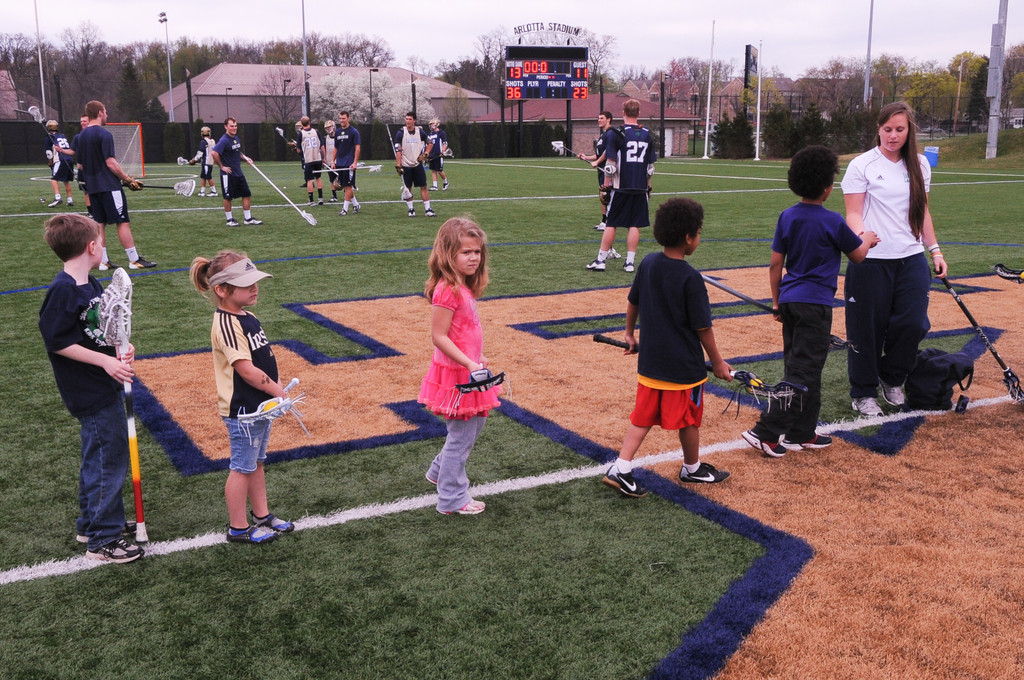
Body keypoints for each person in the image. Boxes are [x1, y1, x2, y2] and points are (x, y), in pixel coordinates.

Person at [741, 146, 879, 457]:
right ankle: (766, 431)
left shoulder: (787, 216)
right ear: (828, 188)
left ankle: (801, 432)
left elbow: (776, 264)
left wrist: (777, 302)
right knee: (803, 371)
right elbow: (857, 255)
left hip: (790, 300)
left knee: (804, 366)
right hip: (815, 306)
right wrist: (868, 239)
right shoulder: (832, 221)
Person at [602, 198, 732, 498]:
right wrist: (719, 362)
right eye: (699, 233)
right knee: (689, 417)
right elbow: (703, 328)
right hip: (683, 368)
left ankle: (621, 466)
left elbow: (632, 300)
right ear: (688, 237)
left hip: (650, 364)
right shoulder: (690, 278)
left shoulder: (648, 263)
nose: (699, 238)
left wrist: (629, 334)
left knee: (642, 416)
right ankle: (692, 467)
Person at [38, 213, 144, 563]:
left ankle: (92, 521)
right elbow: (57, 341)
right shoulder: (63, 290)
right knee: (107, 460)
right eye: (103, 242)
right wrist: (105, 362)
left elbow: (105, 331)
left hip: (104, 382)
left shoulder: (91, 286)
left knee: (98, 456)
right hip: (90, 390)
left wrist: (119, 350)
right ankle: (102, 539)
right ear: (92, 246)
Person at [841, 102, 947, 417]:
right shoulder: (862, 165)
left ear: (909, 130)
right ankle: (863, 392)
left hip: (911, 257)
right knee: (866, 329)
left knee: (914, 323)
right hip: (871, 261)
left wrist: (935, 250)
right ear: (878, 129)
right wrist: (863, 237)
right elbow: (853, 213)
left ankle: (891, 376)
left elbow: (922, 212)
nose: (893, 135)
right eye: (887, 129)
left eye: (899, 129)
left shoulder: (920, 164)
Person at [189, 250, 295, 543]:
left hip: (259, 406)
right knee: (242, 467)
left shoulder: (248, 316)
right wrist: (277, 390)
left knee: (256, 462)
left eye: (255, 281)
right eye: (246, 283)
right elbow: (246, 370)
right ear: (221, 290)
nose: (255, 287)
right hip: (243, 410)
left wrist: (276, 388)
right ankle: (238, 526)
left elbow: (264, 357)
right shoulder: (226, 322)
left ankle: (262, 515)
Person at [417, 217, 502, 515]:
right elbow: (438, 336)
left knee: (474, 426)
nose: (474, 258)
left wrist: (478, 358)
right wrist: (468, 362)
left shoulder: (463, 287)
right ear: (448, 254)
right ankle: (452, 497)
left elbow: (463, 332)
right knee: (461, 435)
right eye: (466, 252)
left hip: (469, 369)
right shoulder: (447, 290)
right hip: (457, 375)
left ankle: (439, 470)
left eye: (477, 252)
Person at [75, 100, 157, 271]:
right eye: (105, 111)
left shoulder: (80, 137)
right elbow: (111, 163)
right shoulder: (104, 134)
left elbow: (80, 166)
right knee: (123, 222)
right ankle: (134, 260)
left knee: (99, 224)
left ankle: (103, 261)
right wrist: (128, 179)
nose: (107, 115)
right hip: (109, 187)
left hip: (93, 188)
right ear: (99, 113)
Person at [586, 98, 656, 273]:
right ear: (639, 113)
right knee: (635, 224)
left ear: (623, 113)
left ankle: (601, 260)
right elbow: (650, 168)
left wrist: (606, 186)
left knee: (611, 223)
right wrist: (648, 187)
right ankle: (630, 262)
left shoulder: (616, 133)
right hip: (639, 187)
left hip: (620, 186)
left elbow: (610, 165)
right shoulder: (646, 134)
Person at [210, 117, 263, 227]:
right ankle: (229, 220)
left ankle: (247, 219)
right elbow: (214, 153)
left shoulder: (236, 138)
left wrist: (246, 158)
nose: (234, 128)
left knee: (246, 194)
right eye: (231, 126)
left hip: (238, 172)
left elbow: (237, 152)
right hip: (228, 174)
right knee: (228, 197)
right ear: (226, 127)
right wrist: (222, 166)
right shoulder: (224, 140)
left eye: (235, 126)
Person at [577, 110, 615, 231]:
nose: (599, 120)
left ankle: (608, 222)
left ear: (608, 119)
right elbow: (599, 154)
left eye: (602, 118)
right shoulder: (603, 136)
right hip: (601, 170)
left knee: (606, 196)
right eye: (598, 118)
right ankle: (604, 221)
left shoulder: (610, 134)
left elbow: (607, 152)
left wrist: (597, 162)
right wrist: (586, 157)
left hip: (607, 170)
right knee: (603, 196)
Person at [394, 112, 435, 217]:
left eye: (410, 119)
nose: (408, 121)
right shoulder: (401, 133)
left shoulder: (420, 132)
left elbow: (430, 143)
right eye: (406, 119)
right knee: (408, 188)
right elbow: (398, 150)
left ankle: (428, 209)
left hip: (417, 164)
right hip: (406, 164)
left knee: (423, 186)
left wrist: (426, 153)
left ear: (414, 120)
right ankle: (411, 209)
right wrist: (399, 164)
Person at [331, 111, 362, 217]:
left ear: (348, 118)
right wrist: (333, 161)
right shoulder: (338, 132)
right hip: (340, 163)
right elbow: (336, 147)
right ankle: (356, 205)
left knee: (348, 187)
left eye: (343, 118)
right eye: (340, 118)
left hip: (349, 164)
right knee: (345, 186)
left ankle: (344, 209)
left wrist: (355, 162)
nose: (341, 120)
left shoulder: (354, 132)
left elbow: (357, 148)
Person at [296, 116, 324, 206]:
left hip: (308, 160)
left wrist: (295, 147)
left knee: (309, 180)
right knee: (318, 178)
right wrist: (323, 158)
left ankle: (311, 201)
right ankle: (320, 199)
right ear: (309, 122)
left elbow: (299, 150)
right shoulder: (316, 131)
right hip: (318, 158)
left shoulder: (301, 134)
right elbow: (322, 146)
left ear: (301, 123)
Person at [46, 120, 75, 208]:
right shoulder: (62, 136)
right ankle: (70, 200)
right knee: (65, 180)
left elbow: (49, 152)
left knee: (54, 179)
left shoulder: (49, 137)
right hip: (69, 159)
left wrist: (50, 162)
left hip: (60, 159)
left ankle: (57, 198)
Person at [69, 115, 92, 219]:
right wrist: (61, 150)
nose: (83, 123)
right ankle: (91, 212)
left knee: (96, 191)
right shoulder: (77, 137)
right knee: (86, 191)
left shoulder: (95, 135)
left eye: (85, 121)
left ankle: (99, 211)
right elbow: (72, 151)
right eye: (81, 121)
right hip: (82, 170)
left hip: (93, 169)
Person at [190, 126, 218, 198]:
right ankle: (202, 191)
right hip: (210, 161)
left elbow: (200, 152)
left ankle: (214, 191)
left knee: (208, 177)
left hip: (206, 162)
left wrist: (194, 160)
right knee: (203, 176)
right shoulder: (212, 141)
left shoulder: (203, 141)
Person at [426, 118, 449, 191]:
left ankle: (446, 182)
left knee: (439, 170)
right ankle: (435, 186)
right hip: (432, 155)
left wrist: (443, 151)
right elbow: (428, 144)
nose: (430, 126)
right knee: (433, 170)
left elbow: (444, 143)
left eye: (431, 124)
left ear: (436, 124)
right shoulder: (430, 134)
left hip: (439, 154)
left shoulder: (441, 133)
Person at [321, 119, 339, 203]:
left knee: (343, 179)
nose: (329, 129)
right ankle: (334, 196)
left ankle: (348, 194)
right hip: (329, 162)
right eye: (327, 127)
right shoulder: (326, 138)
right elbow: (323, 149)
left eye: (330, 127)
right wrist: (324, 159)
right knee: (332, 180)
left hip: (339, 162)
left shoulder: (338, 137)